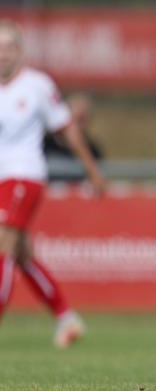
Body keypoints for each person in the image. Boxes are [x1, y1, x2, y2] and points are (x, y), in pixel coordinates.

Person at [0, 21, 106, 347]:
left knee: (3, 248)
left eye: (9, 47)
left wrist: (92, 170)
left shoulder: (37, 85)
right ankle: (66, 317)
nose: (3, 55)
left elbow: (66, 128)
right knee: (22, 255)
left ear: (20, 51)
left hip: (24, 177)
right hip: (3, 178)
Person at [44, 93, 104, 182]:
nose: (77, 125)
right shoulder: (44, 145)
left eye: (82, 119)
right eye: (75, 118)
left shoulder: (92, 150)